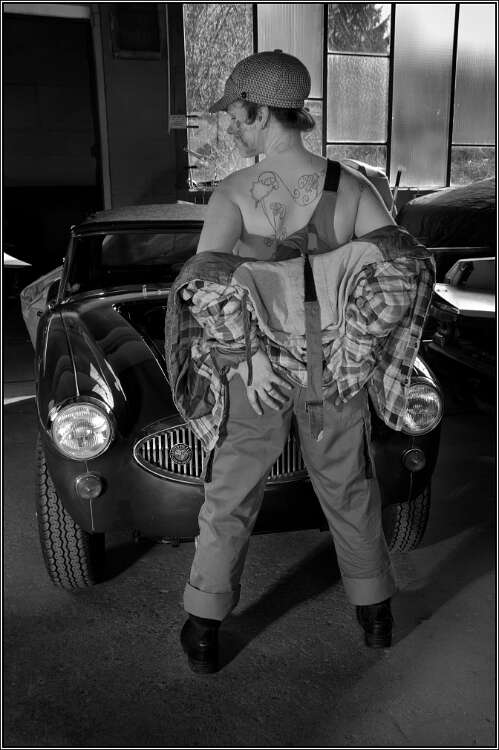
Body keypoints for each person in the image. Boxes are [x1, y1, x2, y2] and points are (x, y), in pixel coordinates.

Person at [164, 50, 434, 674]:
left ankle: (204, 628)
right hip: (333, 370)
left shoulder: (234, 193)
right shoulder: (357, 188)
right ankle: (376, 616)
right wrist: (355, 350)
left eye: (236, 114)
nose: (232, 126)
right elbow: (400, 270)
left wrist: (247, 360)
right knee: (349, 488)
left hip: (256, 376)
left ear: (261, 112)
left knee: (231, 494)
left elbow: (206, 287)